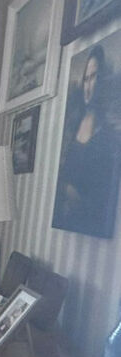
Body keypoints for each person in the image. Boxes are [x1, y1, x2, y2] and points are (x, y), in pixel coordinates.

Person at [53, 44, 121, 236]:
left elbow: (101, 199)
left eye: (94, 77)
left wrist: (76, 198)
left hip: (84, 222)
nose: (88, 86)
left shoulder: (108, 136)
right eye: (86, 78)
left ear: (103, 80)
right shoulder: (73, 124)